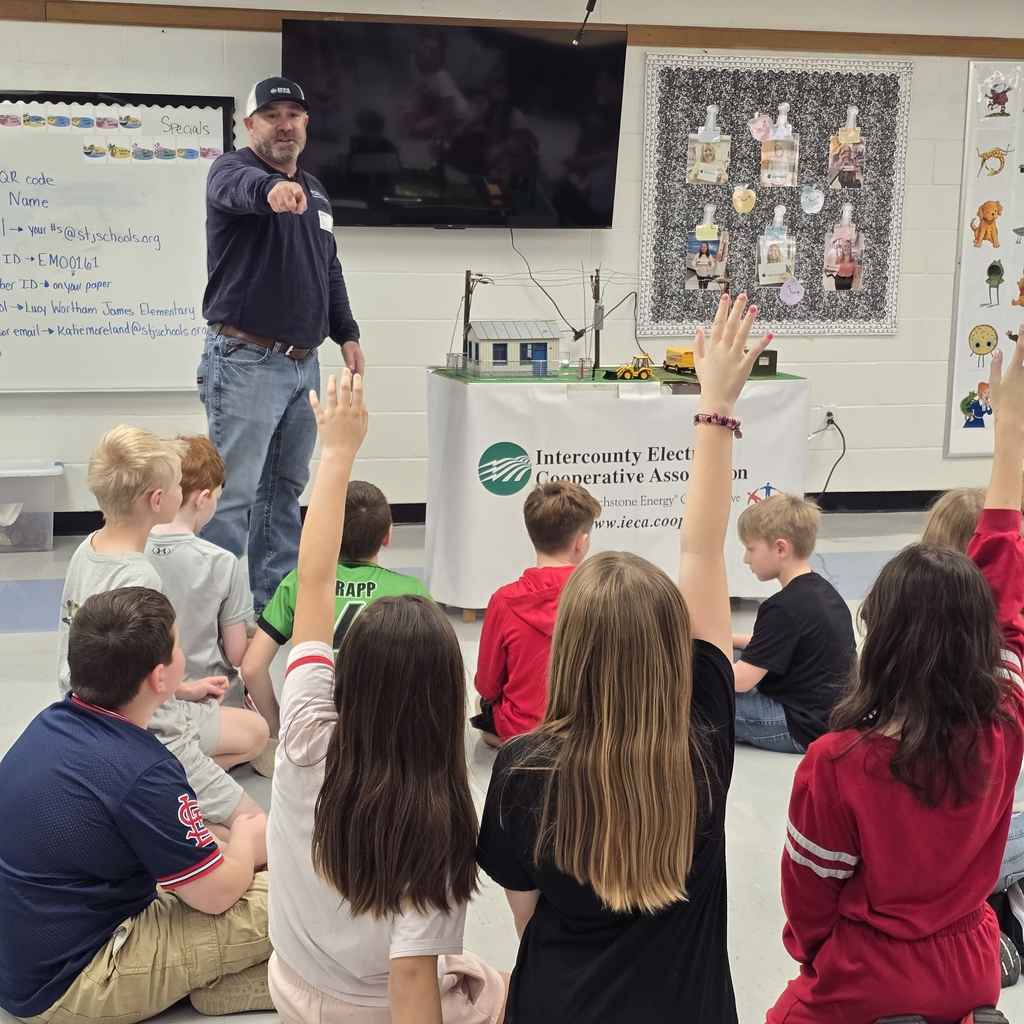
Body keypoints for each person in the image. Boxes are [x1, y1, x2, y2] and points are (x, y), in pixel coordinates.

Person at [476, 294, 773, 1023]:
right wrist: (715, 407)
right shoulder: (704, 739)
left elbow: (526, 918)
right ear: (672, 649)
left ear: (569, 648)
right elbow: (702, 551)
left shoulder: (521, 770)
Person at [767, 337, 1024, 1024]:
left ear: (879, 637)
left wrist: (820, 961)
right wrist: (1009, 430)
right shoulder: (1005, 721)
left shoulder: (837, 764)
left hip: (870, 972)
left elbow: (809, 908)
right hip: (974, 963)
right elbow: (1005, 582)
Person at [265, 369, 506, 1024]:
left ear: (354, 671)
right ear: (442, 695)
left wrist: (337, 453)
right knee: (512, 986)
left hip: (288, 982)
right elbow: (408, 986)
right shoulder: (437, 817)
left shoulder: (305, 728)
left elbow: (314, 582)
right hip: (370, 1008)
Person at [0, 588, 271, 1022]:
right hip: (74, 984)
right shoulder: (145, 769)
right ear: (160, 678)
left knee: (213, 855)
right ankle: (267, 976)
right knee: (295, 894)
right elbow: (218, 895)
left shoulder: (51, 722)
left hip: (26, 961)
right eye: (178, 644)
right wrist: (245, 836)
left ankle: (219, 979)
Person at [199, 76, 363, 613]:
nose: (285, 123)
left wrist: (347, 331)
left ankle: (272, 613)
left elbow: (328, 267)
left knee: (282, 497)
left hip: (303, 366)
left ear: (307, 124)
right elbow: (241, 191)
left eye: (294, 113)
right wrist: (269, 191)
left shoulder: (316, 190)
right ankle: (213, 621)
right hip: (246, 361)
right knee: (230, 500)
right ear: (250, 125)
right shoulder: (233, 170)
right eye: (272, 114)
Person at [58, 426, 266, 836]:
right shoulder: (142, 581)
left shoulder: (87, 548)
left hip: (90, 719)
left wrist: (184, 689)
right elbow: (162, 725)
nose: (181, 489)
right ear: (158, 500)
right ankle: (152, 800)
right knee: (255, 832)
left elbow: (118, 670)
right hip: (146, 736)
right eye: (176, 484)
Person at [241, 479, 430, 739]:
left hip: (313, 729)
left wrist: (278, 730)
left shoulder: (301, 581)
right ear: (387, 535)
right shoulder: (412, 591)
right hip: (382, 733)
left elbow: (252, 667)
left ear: (328, 532)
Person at [147, 435, 271, 776]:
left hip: (146, 704)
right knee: (255, 738)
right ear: (202, 499)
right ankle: (181, 774)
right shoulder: (221, 562)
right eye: (217, 497)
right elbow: (236, 655)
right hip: (207, 701)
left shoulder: (131, 551)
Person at [471, 480, 601, 746]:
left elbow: (487, 687)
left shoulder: (504, 601)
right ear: (582, 542)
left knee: (479, 702)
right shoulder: (603, 596)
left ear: (532, 535)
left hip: (523, 732)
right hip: (591, 732)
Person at [731, 493, 856, 754]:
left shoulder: (782, 607)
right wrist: (724, 637)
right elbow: (768, 646)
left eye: (750, 549)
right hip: (827, 716)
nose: (746, 559)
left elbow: (741, 681)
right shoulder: (821, 590)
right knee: (717, 655)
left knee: (697, 683)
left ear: (780, 548)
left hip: (799, 727)